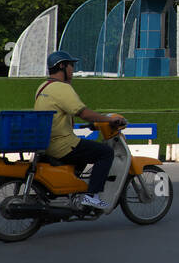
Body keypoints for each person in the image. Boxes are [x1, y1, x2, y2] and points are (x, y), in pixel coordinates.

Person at [34, 51, 126, 211]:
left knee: (84, 154)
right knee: (105, 153)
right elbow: (83, 112)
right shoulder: (62, 88)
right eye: (71, 66)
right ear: (62, 66)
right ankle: (92, 197)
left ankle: (73, 192)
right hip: (62, 144)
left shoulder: (43, 86)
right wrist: (109, 119)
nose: (73, 70)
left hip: (47, 142)